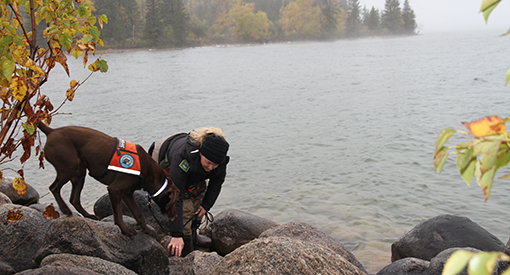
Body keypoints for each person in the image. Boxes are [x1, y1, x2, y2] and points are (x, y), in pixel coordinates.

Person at [148, 127, 230, 257]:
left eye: (215, 165)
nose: (211, 167)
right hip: (164, 153)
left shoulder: (219, 162)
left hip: (193, 165)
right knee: (183, 204)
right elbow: (176, 196)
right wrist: (176, 234)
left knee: (199, 197)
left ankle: (193, 234)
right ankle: (186, 247)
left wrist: (206, 205)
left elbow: (216, 184)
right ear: (201, 153)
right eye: (208, 163)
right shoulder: (182, 158)